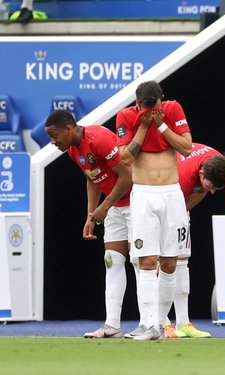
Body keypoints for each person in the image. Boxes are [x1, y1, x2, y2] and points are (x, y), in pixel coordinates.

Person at [44, 109, 133, 338]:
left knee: (143, 263)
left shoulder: (99, 138)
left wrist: (104, 207)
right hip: (113, 207)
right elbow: (91, 177)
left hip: (136, 202)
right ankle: (112, 326)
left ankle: (152, 324)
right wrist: (91, 214)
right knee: (112, 261)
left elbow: (128, 176)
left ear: (69, 128)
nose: (52, 142)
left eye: (54, 135)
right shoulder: (74, 150)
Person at [116, 80, 192, 340]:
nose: (150, 111)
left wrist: (160, 124)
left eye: (155, 107)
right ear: (137, 103)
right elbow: (125, 158)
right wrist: (144, 125)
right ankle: (148, 324)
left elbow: (186, 147)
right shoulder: (126, 116)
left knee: (170, 263)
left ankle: (160, 324)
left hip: (172, 194)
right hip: (144, 195)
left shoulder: (172, 110)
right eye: (144, 108)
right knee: (147, 261)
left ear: (162, 100)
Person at [166, 142, 225, 338]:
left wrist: (181, 216)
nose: (213, 192)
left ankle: (182, 322)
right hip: (161, 205)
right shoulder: (183, 176)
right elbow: (170, 206)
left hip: (178, 207)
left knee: (181, 262)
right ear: (202, 174)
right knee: (159, 263)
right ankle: (160, 321)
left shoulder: (216, 162)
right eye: (211, 186)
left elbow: (202, 191)